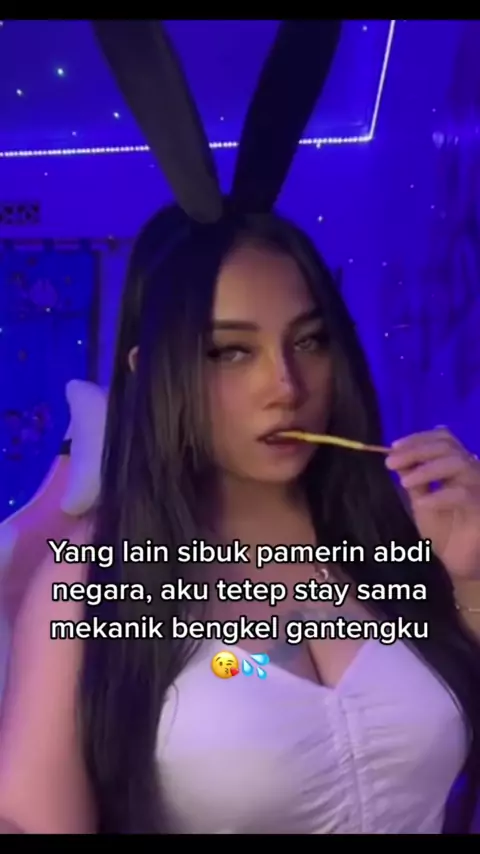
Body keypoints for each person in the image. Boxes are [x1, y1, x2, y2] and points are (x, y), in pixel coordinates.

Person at [1, 20, 480, 836]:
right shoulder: (92, 586)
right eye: (230, 352)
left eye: (309, 342)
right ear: (154, 373)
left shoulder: (402, 539)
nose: (284, 387)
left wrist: (469, 579)